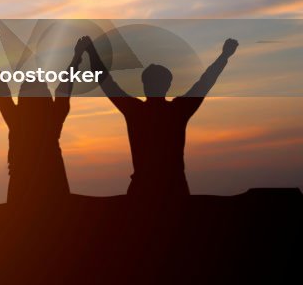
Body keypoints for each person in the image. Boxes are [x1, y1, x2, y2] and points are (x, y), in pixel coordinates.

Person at [82, 34, 239, 199]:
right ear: (167, 85)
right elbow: (205, 82)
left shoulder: (135, 111)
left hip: (143, 191)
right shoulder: (178, 110)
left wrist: (91, 52)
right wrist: (224, 56)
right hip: (174, 191)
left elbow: (106, 81)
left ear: (144, 85)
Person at [0, 42, 81, 207]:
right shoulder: (53, 117)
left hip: (21, 184)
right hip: (54, 182)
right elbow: (63, 88)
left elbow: (2, 89)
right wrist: (76, 59)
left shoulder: (16, 119)